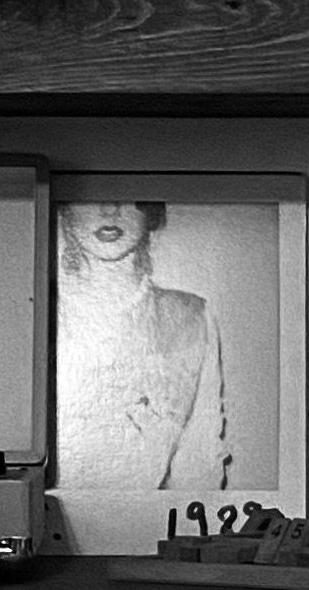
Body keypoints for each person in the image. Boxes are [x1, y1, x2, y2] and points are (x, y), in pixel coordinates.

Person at [55, 199, 232, 500]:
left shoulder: (190, 316)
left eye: (127, 197)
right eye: (90, 197)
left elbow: (199, 462)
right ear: (66, 212)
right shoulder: (40, 314)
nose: (110, 209)